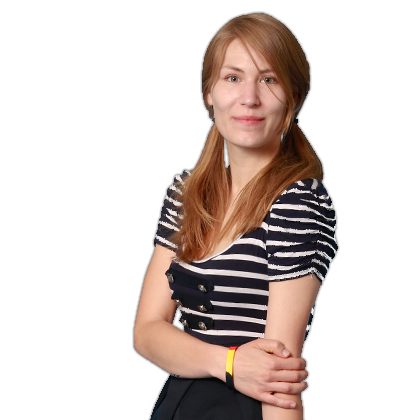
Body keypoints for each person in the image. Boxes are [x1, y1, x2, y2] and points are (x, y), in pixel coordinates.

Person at [134, 12, 338, 420]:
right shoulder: (186, 194)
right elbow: (147, 331)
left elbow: (278, 379)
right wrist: (228, 362)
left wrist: (228, 365)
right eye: (232, 77)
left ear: (294, 97)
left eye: (269, 79)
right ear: (209, 92)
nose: (249, 97)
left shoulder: (297, 203)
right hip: (176, 407)